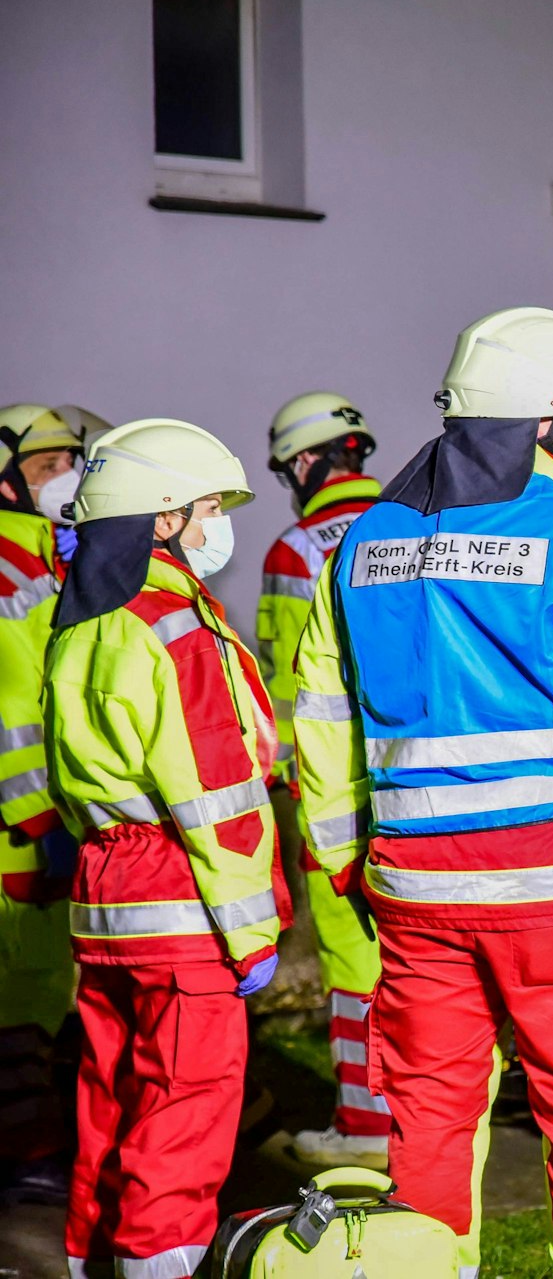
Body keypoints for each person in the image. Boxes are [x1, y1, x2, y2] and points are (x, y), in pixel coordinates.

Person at [293, 307, 553, 1279]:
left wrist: (347, 859)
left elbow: (321, 717)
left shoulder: (360, 544)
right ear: (545, 423)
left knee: (428, 1122)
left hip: (416, 892)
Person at [44, 418, 289, 1279]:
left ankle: (93, 1258)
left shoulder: (81, 620)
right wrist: (252, 932)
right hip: (183, 899)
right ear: (163, 516)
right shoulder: (176, 623)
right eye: (209, 507)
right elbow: (216, 794)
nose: (219, 524)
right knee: (182, 1111)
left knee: (108, 1103)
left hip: (106, 894)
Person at [255, 390, 392, 1168]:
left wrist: (280, 771)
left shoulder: (295, 551)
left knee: (354, 963)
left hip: (334, 789)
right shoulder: (414, 525)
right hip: (424, 786)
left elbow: (285, 684)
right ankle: (436, 1114)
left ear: (307, 461)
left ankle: (369, 1128)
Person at [0, 404, 95, 1203]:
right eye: (46, 465)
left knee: (43, 986)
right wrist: (37, 815)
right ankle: (27, 1158)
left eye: (71, 459)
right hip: (20, 824)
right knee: (16, 994)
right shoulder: (7, 566)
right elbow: (11, 709)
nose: (66, 475)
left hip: (56, 815)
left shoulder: (46, 555)